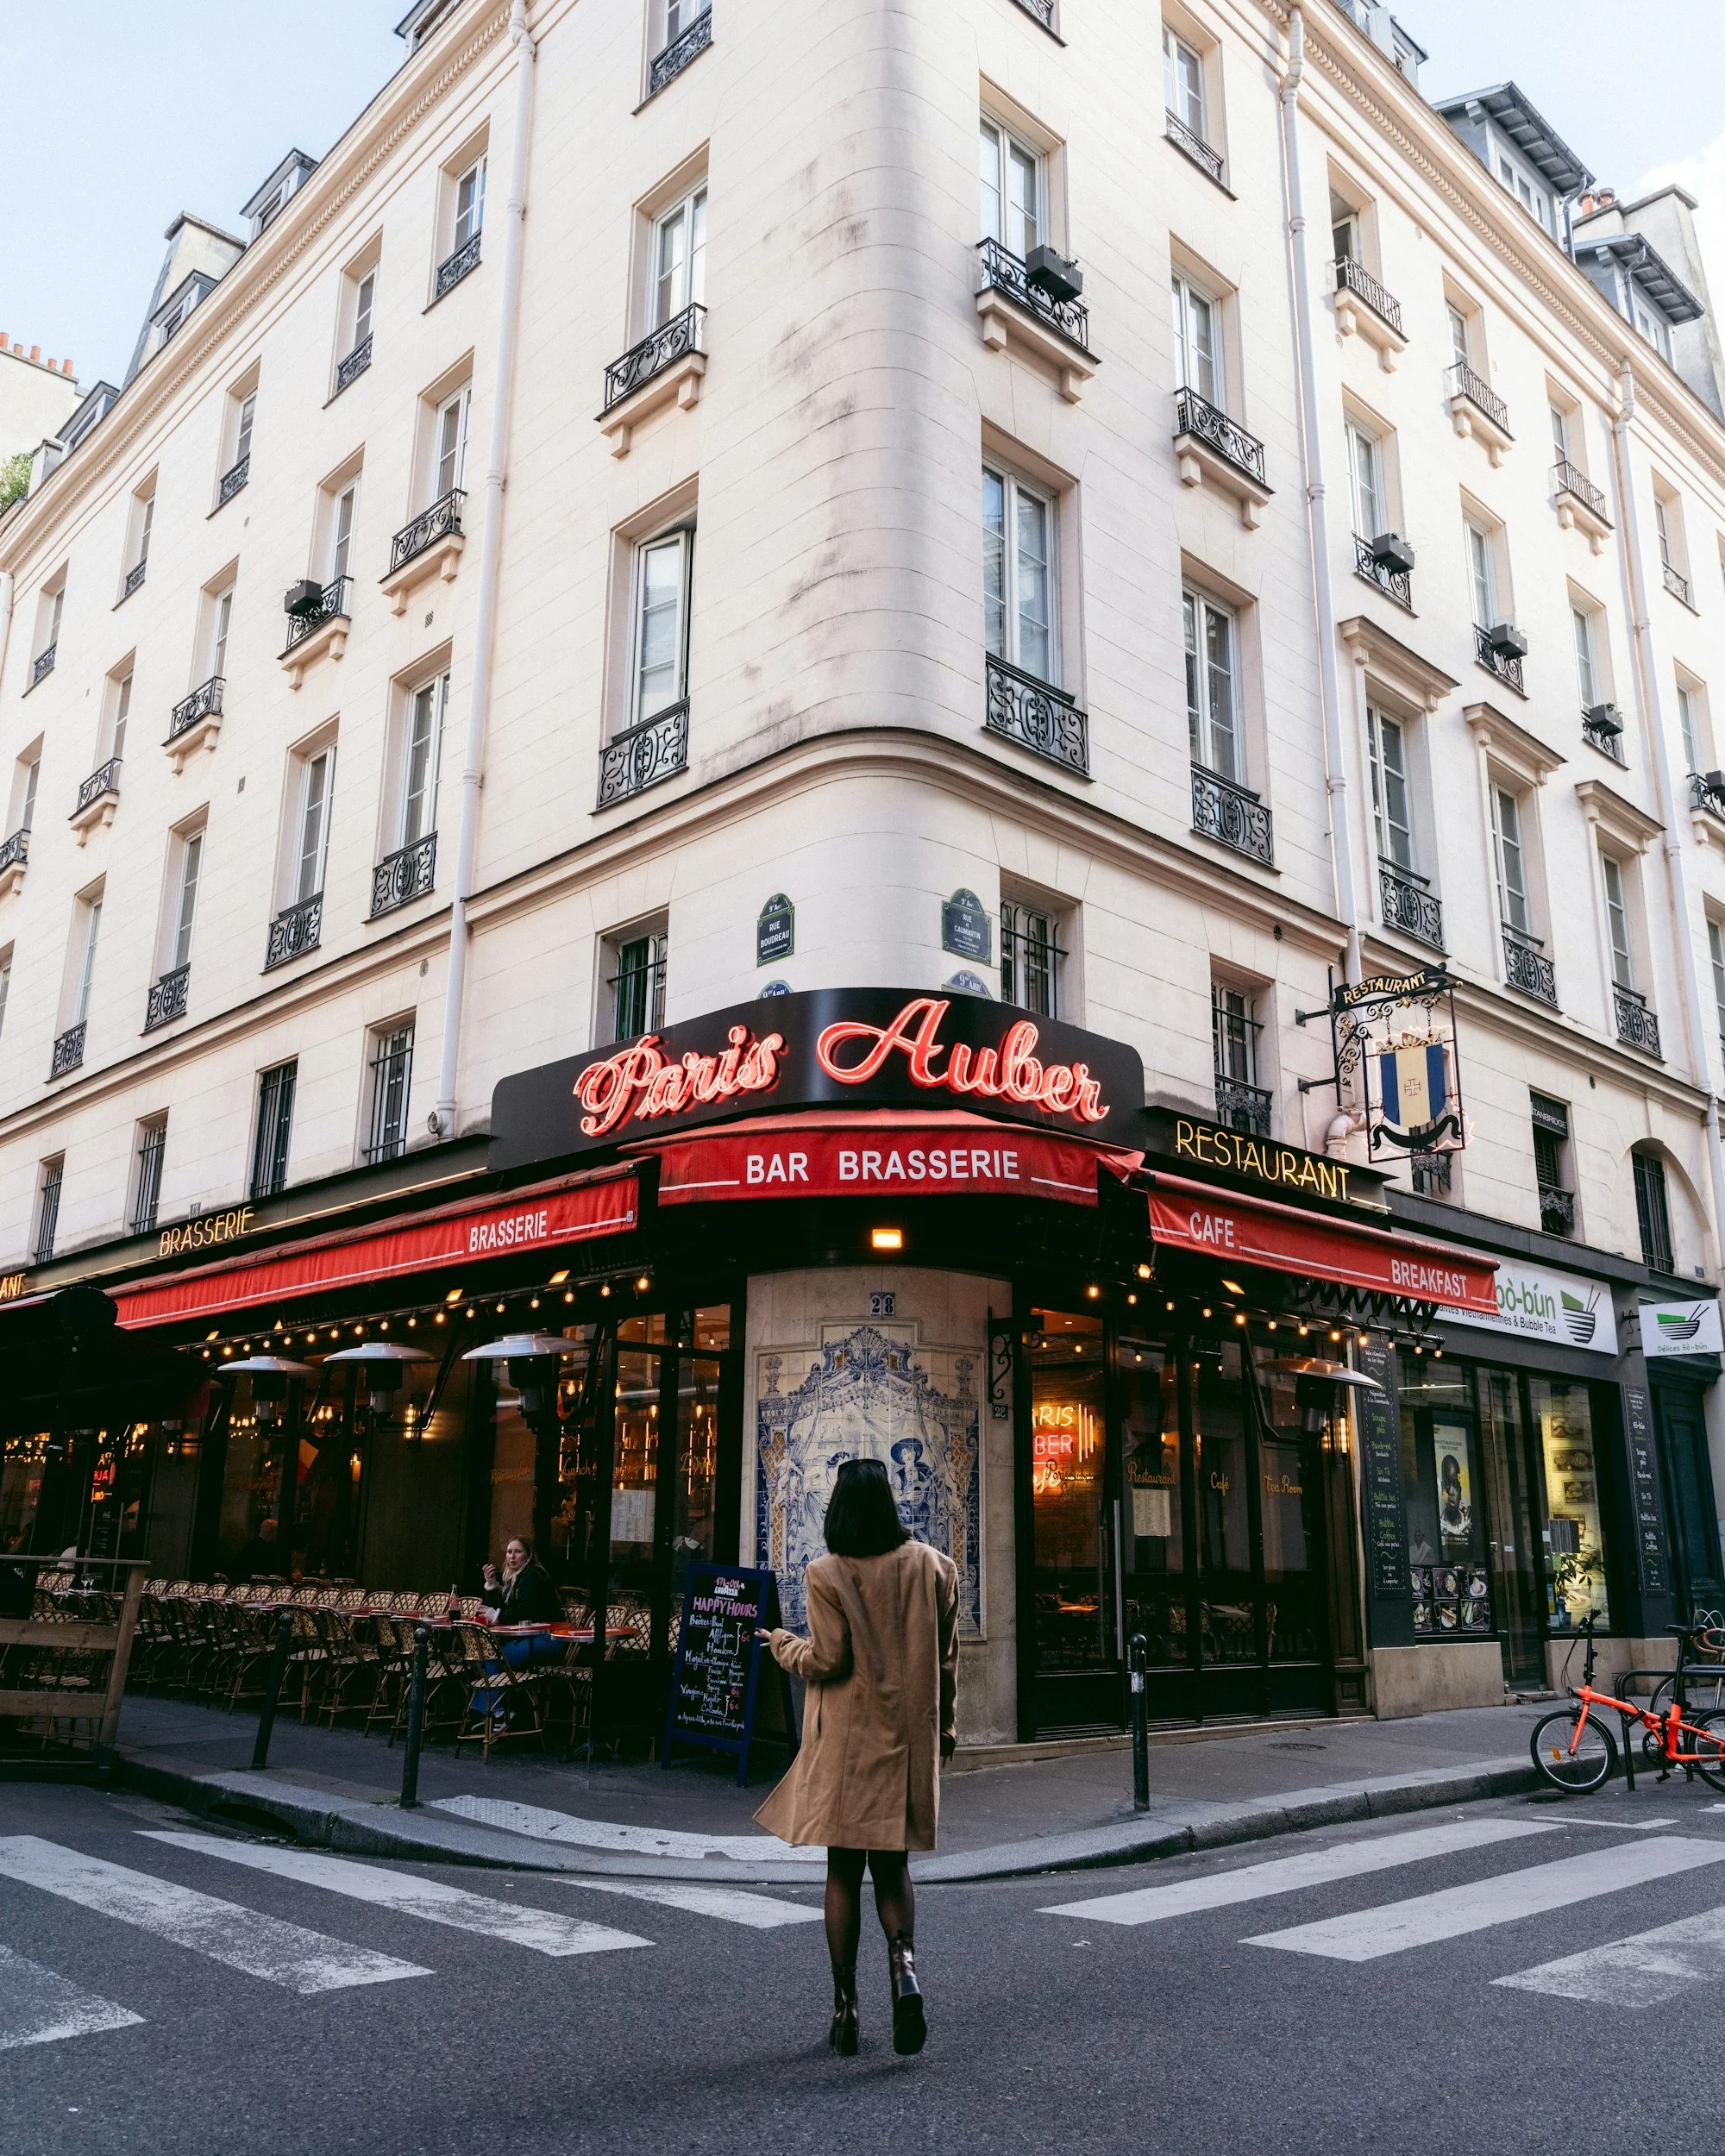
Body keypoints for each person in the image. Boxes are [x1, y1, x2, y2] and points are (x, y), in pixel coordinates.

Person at [756, 1457, 959, 2059]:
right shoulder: (932, 1566)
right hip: (905, 1739)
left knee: (842, 1870)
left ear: (838, 1509)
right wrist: (946, 1728)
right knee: (892, 1867)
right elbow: (947, 1659)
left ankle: (845, 2008)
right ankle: (904, 1970)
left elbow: (828, 1660)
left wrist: (782, 1645)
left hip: (847, 1746)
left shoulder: (827, 1573)